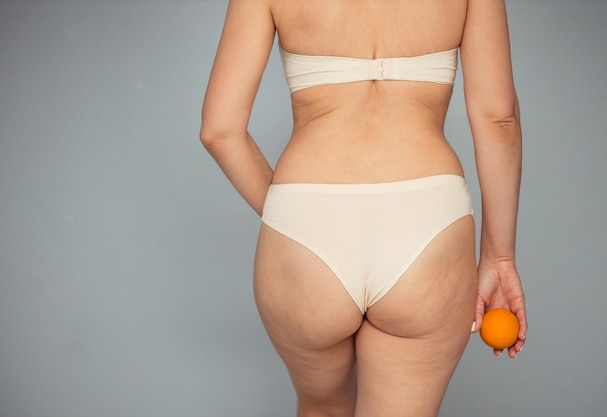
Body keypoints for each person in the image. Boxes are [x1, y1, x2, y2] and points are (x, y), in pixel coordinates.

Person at [200, 0, 527, 416]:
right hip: (426, 228)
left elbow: (219, 130)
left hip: (307, 227)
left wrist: (297, 221)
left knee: (322, 408)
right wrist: (499, 258)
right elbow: (499, 118)